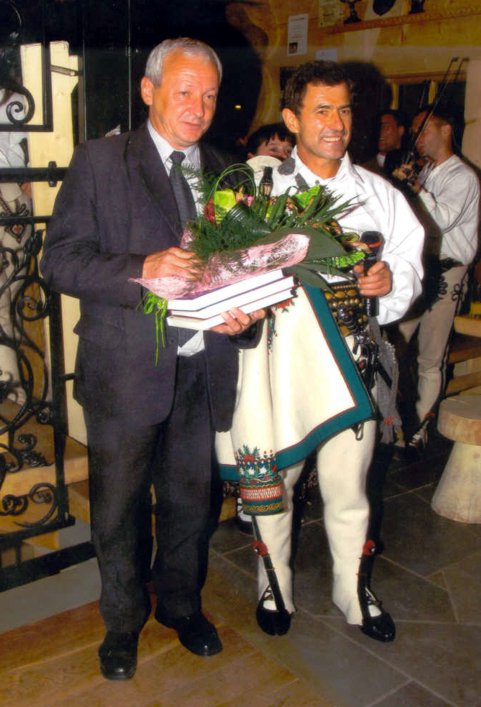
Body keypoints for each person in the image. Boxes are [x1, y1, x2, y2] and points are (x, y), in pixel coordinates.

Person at [40, 37, 264, 681]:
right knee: (118, 512)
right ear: (149, 89)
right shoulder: (100, 161)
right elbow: (60, 261)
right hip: (124, 372)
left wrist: (244, 314)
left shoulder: (229, 172)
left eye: (210, 96)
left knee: (192, 505)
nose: (199, 107)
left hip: (201, 368)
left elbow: (240, 267)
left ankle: (181, 606)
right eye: (185, 91)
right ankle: (122, 621)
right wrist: (143, 268)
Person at [217, 60, 424, 643]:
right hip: (276, 367)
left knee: (348, 486)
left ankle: (351, 589)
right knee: (275, 483)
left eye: (344, 110)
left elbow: (409, 270)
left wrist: (389, 282)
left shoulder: (381, 195)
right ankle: (274, 583)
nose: (336, 124)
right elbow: (226, 272)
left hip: (352, 362)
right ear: (292, 118)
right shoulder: (259, 195)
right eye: (321, 111)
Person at [391, 104, 480, 452]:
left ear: (446, 130)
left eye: (424, 129)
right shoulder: (425, 171)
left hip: (447, 270)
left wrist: (416, 188)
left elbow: (440, 221)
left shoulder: (463, 176)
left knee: (431, 356)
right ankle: (396, 420)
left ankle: (420, 428)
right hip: (419, 268)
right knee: (394, 344)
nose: (418, 137)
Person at [0, 88, 31, 406]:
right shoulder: (18, 98)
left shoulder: (17, 98)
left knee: (4, 302)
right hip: (16, 202)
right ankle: (15, 387)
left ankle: (13, 388)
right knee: (7, 301)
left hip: (12, 200)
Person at [363, 108, 407, 180]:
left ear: (400, 130)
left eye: (386, 127)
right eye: (379, 128)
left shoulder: (408, 163)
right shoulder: (366, 169)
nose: (381, 132)